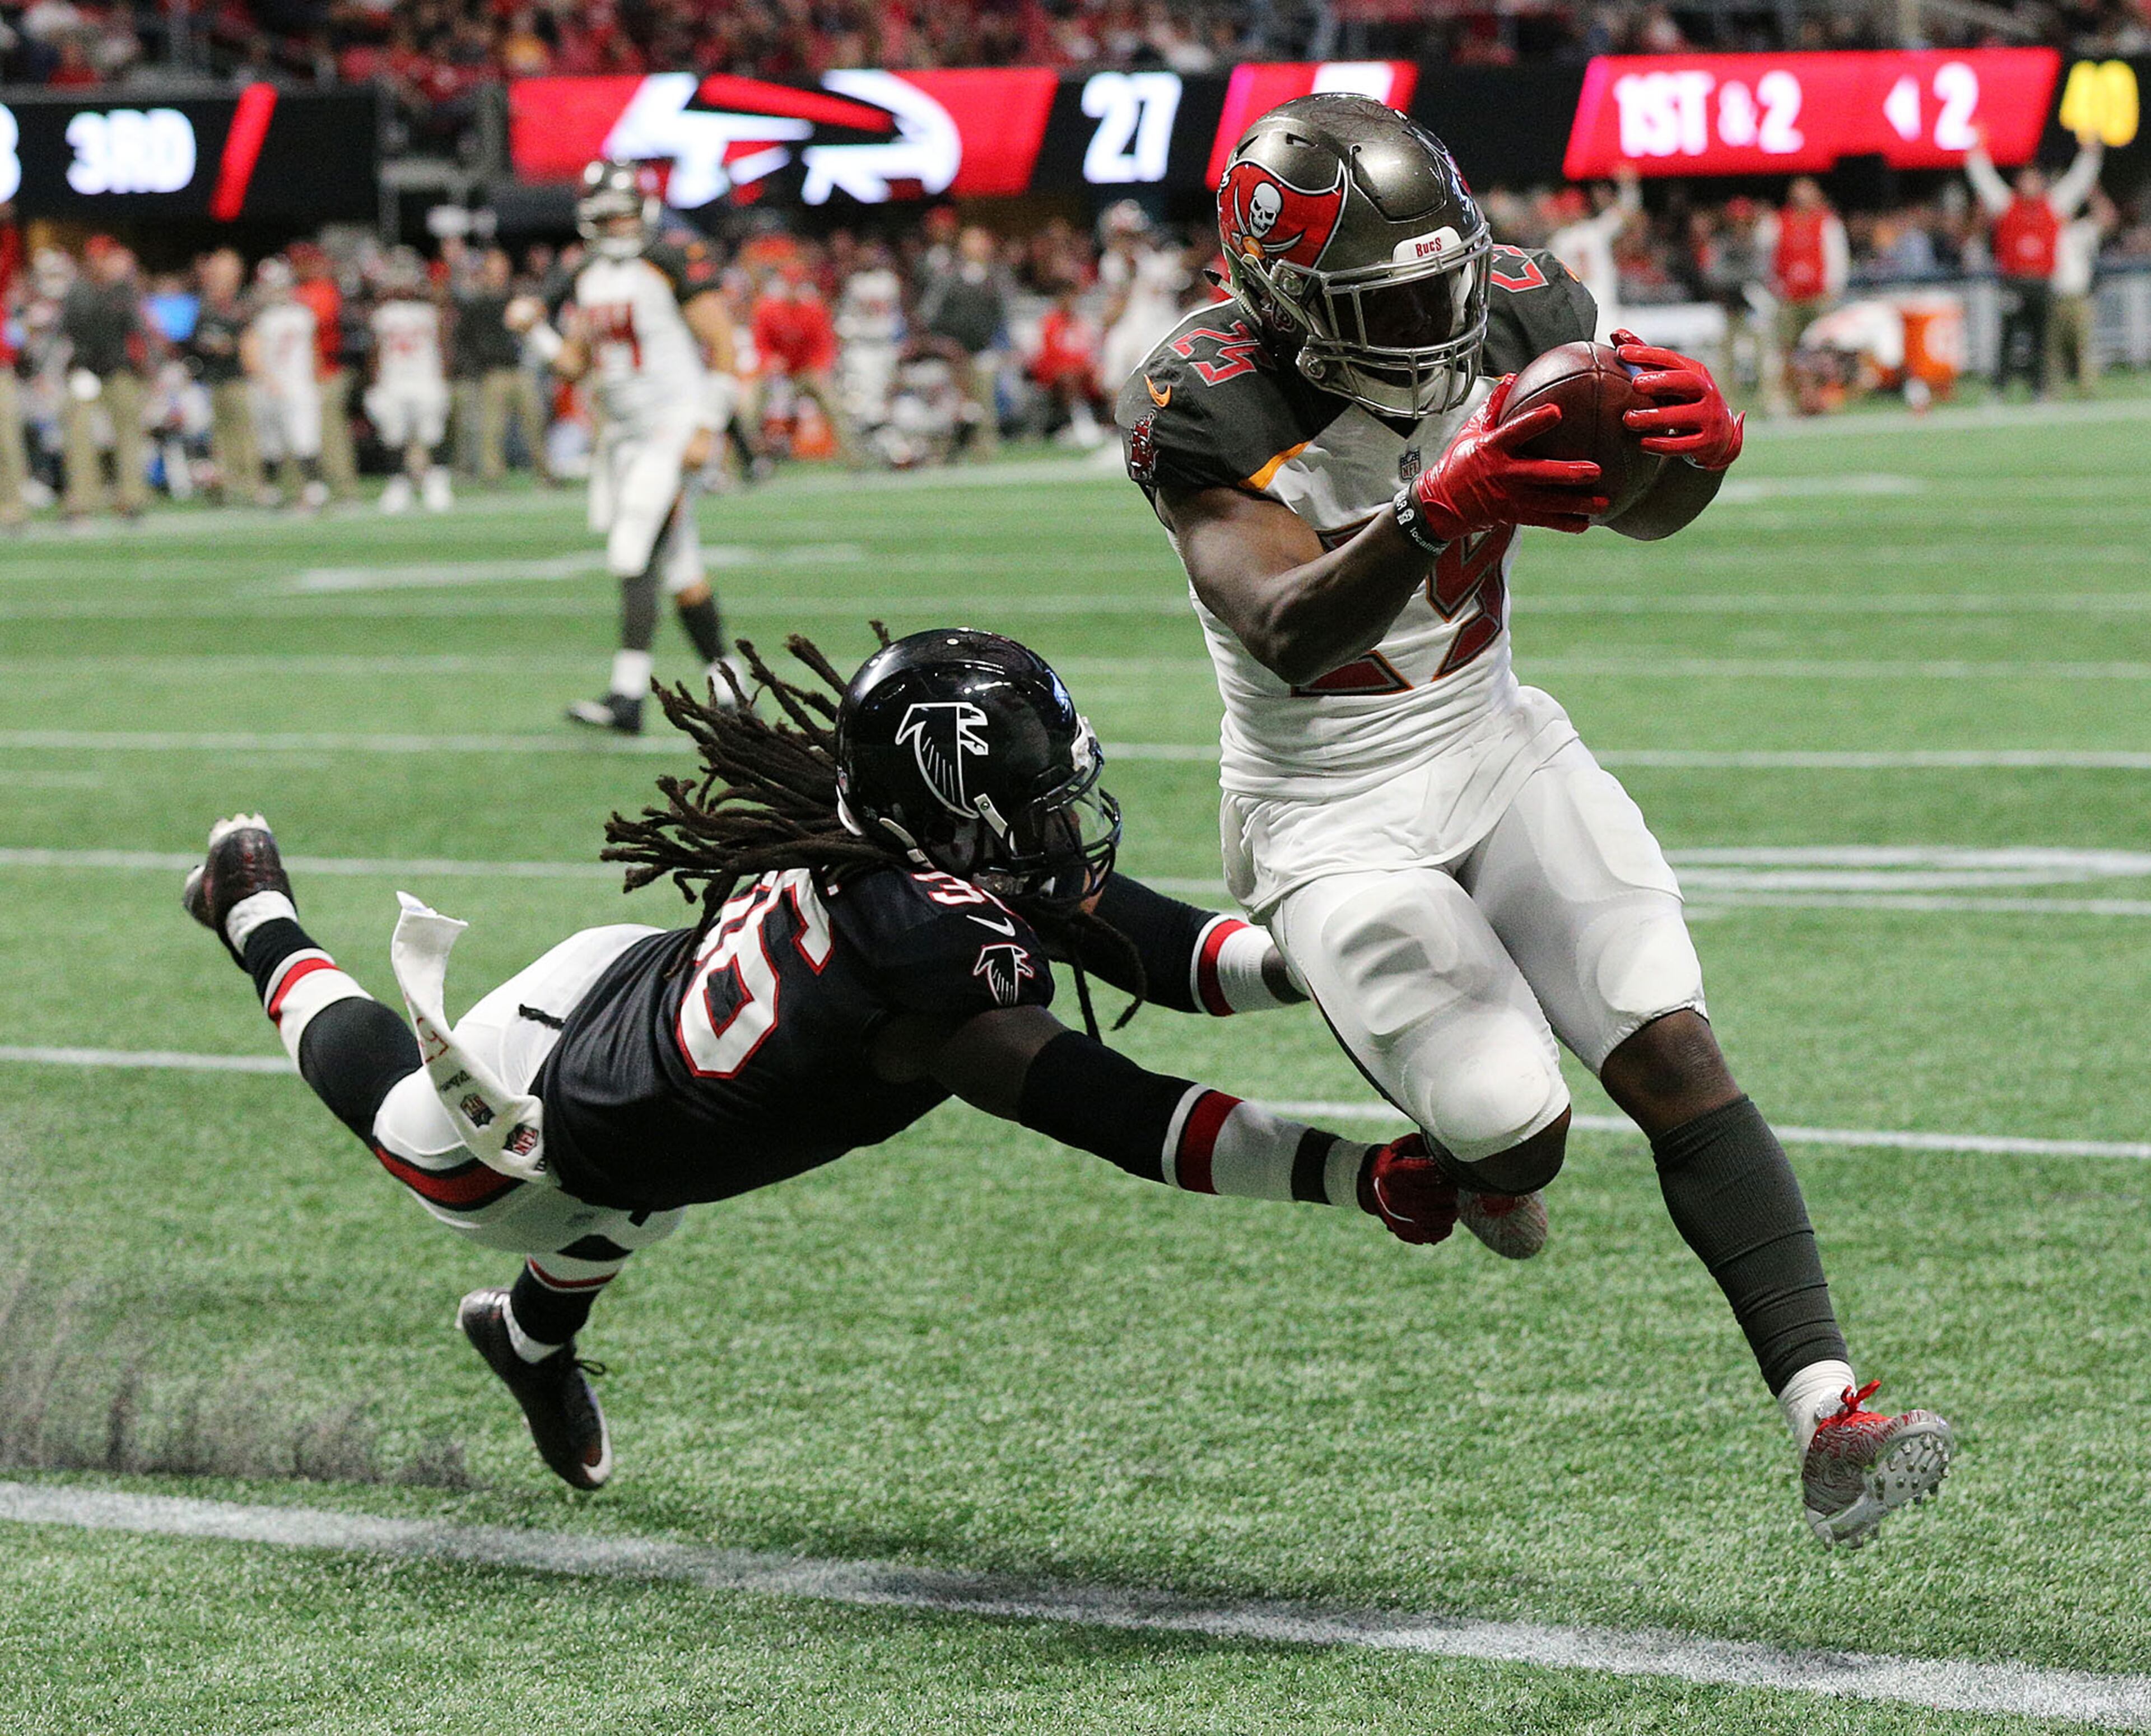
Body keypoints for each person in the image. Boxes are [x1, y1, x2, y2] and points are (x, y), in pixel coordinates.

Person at [1115, 94, 1953, 1548]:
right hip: (1331, 809)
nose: (1442, 319)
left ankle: (1832, 1410)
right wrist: (1437, 511)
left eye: (1449, 277)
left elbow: (1634, 508)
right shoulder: (1206, 393)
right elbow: (1286, 627)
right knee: (1518, 1126)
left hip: (1492, 738)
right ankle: (1466, 1160)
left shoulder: (1523, 304)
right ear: (1282, 299)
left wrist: (1693, 456)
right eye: (1392, 300)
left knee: (1666, 1028)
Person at [180, 629, 1467, 1491]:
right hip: (542, 1105)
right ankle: (252, 908)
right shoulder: (924, 961)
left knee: (650, 1194)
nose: (1057, 826)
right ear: (948, 807)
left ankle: (526, 1340)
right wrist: (1344, 1173)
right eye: (1026, 800)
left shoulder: (886, 830)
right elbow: (1106, 1102)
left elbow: (1166, 951)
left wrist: (1322, 951)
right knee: (422, 1134)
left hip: (657, 1006)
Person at [508, 160, 743, 733]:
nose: (620, 225)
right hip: (625, 439)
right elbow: (573, 365)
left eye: (627, 214)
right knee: (682, 568)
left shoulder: (668, 264)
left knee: (633, 549)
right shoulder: (590, 278)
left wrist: (707, 427)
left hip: (675, 426)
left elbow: (725, 346)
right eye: (609, 216)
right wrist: (533, 332)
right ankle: (732, 691)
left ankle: (627, 695)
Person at [1967, 128, 2106, 398]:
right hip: (2015, 281)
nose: (2030, 184)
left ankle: (2039, 389)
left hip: (2043, 282)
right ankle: (1999, 389)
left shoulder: (2053, 205)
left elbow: (2078, 181)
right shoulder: (2007, 205)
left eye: (2034, 179)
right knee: (2008, 339)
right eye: (2025, 179)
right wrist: (1976, 150)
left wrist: (2091, 155)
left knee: (2043, 341)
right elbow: (1984, 179)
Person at [59, 236, 152, 520]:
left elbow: (140, 329)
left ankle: (132, 497)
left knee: (129, 433)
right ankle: (82, 499)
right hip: (86, 371)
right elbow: (64, 330)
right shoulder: (78, 290)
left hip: (119, 369)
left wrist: (151, 365)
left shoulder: (123, 290)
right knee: (78, 432)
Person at [364, 247, 454, 514]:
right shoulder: (383, 312)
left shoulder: (430, 309)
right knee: (393, 434)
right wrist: (375, 381)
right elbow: (376, 351)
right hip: (394, 379)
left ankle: (436, 481)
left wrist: (444, 374)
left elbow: (443, 344)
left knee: (432, 432)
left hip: (426, 376)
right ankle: (399, 483)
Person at [1753, 178, 1849, 415]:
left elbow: (1837, 257)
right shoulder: (1776, 223)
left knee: (1821, 352)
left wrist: (1834, 288)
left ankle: (1821, 399)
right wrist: (1774, 288)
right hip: (1789, 299)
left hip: (1818, 298)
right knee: (1788, 351)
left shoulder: (1827, 222)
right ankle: (1791, 400)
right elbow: (1765, 258)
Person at [457, 248, 552, 486]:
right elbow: (465, 338)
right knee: (492, 428)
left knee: (535, 421)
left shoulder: (515, 297)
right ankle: (492, 476)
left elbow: (536, 321)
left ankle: (546, 472)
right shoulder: (477, 302)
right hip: (494, 371)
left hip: (520, 368)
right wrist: (477, 366)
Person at [244, 257, 329, 512]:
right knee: (275, 445)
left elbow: (251, 350)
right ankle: (284, 492)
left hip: (290, 387)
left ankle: (310, 491)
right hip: (282, 386)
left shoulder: (290, 316)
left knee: (301, 442)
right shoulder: (293, 316)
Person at [914, 226, 1008, 457]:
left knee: (984, 401)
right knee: (952, 404)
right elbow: (929, 313)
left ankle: (985, 449)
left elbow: (1001, 312)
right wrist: (944, 342)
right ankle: (946, 449)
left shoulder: (994, 276)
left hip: (982, 349)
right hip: (952, 352)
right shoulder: (949, 275)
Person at [188, 248, 264, 506]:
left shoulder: (243, 301)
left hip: (238, 377)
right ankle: (227, 485)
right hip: (214, 377)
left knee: (244, 432)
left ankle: (251, 485)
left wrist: (233, 347)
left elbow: (251, 339)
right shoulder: (206, 303)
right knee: (220, 436)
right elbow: (195, 339)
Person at [290, 241, 360, 501]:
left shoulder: (324, 290)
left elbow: (318, 322)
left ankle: (344, 488)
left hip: (326, 372)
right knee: (300, 434)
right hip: (297, 376)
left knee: (331, 433)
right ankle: (303, 489)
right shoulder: (297, 291)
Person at [1545, 169, 1641, 343]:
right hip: (1590, 309)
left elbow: (1626, 213)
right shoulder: (1584, 234)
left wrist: (1628, 186)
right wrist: (1628, 186)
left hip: (1593, 309)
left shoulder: (1573, 237)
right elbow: (1627, 210)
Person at [2050, 187, 2116, 396]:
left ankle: (2087, 389)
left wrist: (2093, 191)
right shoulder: (2046, 230)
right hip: (2053, 296)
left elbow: (2108, 218)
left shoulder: (2081, 230)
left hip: (2079, 297)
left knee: (2084, 346)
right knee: (2052, 349)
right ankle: (2052, 391)